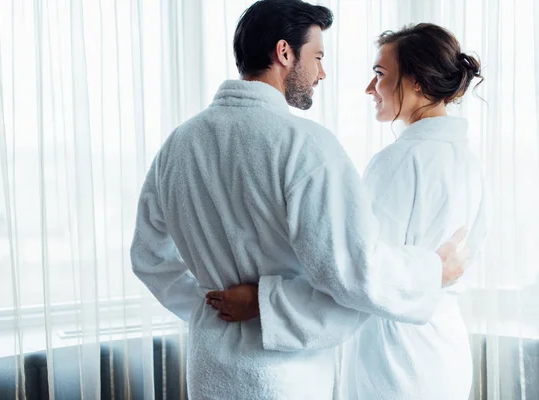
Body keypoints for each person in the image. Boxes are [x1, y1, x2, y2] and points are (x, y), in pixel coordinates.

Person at [130, 1, 468, 398]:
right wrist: (430, 272)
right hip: (282, 379)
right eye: (318, 57)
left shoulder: (178, 144)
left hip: (209, 372)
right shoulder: (306, 147)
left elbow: (149, 259)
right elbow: (354, 271)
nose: (322, 72)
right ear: (285, 53)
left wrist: (210, 308)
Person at [206, 23, 490, 400]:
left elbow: (359, 275)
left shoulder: (398, 161)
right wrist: (433, 273)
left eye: (380, 75)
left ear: (418, 81)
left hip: (397, 361)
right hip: (445, 351)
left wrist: (264, 303)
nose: (370, 89)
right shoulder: (469, 162)